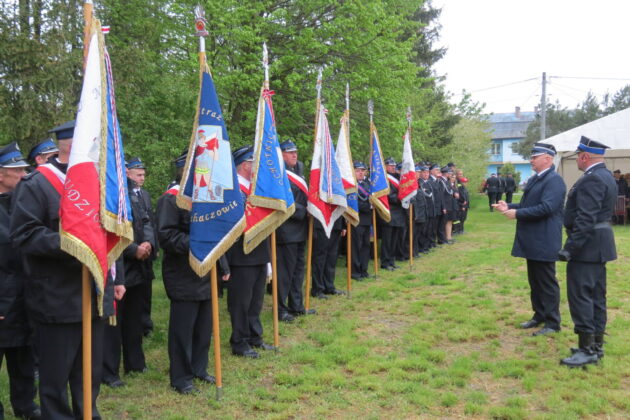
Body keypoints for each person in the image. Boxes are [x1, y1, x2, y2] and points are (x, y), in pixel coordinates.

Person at [10, 120, 123, 419]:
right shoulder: (37, 184)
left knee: (89, 373)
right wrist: (73, 244)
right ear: (70, 145)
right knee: (55, 379)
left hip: (95, 292)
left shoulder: (102, 182)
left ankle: (88, 413)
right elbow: (24, 235)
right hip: (56, 296)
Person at [156, 151, 229, 394]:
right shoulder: (171, 199)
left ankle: (199, 368)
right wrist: (197, 244)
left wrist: (224, 266)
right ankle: (181, 377)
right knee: (183, 330)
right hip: (183, 273)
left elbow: (218, 235)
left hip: (208, 272)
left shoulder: (207, 197)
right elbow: (166, 236)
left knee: (203, 327)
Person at [494, 142, 566, 337]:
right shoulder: (537, 179)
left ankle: (552, 322)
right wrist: (508, 205)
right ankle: (539, 315)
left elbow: (546, 208)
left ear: (548, 159)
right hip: (534, 239)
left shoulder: (554, 180)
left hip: (544, 239)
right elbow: (529, 204)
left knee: (546, 282)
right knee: (535, 280)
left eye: (535, 157)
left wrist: (516, 213)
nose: (531, 160)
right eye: (532, 157)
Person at [558, 136, 617, 367]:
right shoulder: (605, 175)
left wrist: (570, 248)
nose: (577, 162)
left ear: (584, 156)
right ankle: (596, 344)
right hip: (598, 245)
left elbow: (586, 218)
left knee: (581, 296)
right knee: (595, 296)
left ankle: (586, 349)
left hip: (587, 246)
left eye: (577, 158)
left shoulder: (592, 179)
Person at [102, 158, 156, 387]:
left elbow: (147, 221)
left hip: (140, 266)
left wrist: (148, 245)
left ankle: (135, 362)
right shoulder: (109, 192)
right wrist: (133, 249)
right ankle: (109, 371)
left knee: (135, 317)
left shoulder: (136, 192)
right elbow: (111, 230)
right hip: (119, 262)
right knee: (114, 321)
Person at [0, 142, 41, 420]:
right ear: (0, 174)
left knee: (24, 357)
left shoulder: (23, 203)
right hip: (2, 298)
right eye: (17, 171)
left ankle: (26, 406)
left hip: (25, 296)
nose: (24, 174)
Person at [225, 146, 274, 359]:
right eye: (254, 163)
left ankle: (255, 337)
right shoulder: (232, 190)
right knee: (240, 302)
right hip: (240, 255)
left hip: (259, 252)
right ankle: (239, 341)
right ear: (245, 165)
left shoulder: (256, 189)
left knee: (256, 300)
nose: (257, 168)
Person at [275, 140, 314, 321]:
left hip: (300, 230)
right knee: (284, 273)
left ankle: (296, 305)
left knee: (298, 270)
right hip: (286, 229)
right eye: (290, 152)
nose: (294, 155)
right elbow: (283, 201)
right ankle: (280, 309)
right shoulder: (278, 174)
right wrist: (304, 211)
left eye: (295, 152)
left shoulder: (298, 172)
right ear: (281, 154)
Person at [125, 157, 158, 336]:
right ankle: (139, 324)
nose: (141, 178)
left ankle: (146, 323)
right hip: (131, 251)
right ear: (128, 173)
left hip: (147, 249)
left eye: (143, 175)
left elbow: (149, 221)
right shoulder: (124, 195)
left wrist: (151, 244)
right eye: (138, 175)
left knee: (146, 289)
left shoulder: (143, 194)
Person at [379, 157, 404, 270]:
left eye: (394, 165)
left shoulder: (397, 178)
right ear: (385, 166)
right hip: (389, 212)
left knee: (394, 239)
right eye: (390, 165)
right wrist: (401, 198)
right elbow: (388, 196)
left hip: (399, 213)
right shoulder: (384, 179)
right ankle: (385, 262)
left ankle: (391, 260)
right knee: (387, 240)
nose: (393, 167)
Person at [350, 161, 372, 280]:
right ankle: (355, 272)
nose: (361, 173)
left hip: (367, 220)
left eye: (363, 170)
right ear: (353, 171)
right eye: (358, 170)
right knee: (356, 246)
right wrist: (369, 206)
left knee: (365, 245)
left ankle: (364, 270)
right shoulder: (351, 185)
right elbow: (353, 203)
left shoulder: (367, 184)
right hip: (356, 219)